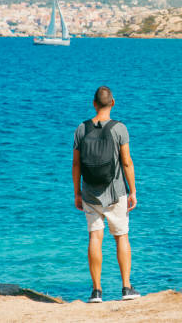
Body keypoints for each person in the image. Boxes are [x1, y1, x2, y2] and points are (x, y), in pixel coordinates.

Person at [72, 86, 140, 303]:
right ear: (113, 103)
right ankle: (126, 288)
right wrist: (133, 191)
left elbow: (75, 164)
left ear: (93, 103)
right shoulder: (119, 128)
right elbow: (127, 162)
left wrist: (77, 193)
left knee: (95, 237)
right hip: (116, 192)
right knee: (121, 236)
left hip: (90, 193)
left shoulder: (81, 129)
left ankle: (96, 291)